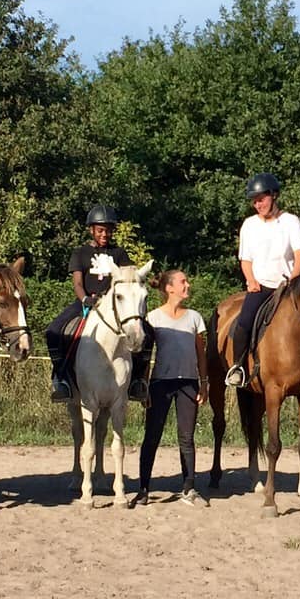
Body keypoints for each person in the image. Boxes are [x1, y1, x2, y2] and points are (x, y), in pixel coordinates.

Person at [224, 173, 300, 390]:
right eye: (254, 200)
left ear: (274, 196)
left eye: (261, 199)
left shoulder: (291, 222)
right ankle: (238, 367)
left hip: (289, 286)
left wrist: (295, 278)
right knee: (243, 323)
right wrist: (251, 281)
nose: (257, 204)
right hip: (261, 285)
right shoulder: (249, 225)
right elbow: (245, 260)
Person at [136, 269, 209, 505]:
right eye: (183, 281)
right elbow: (146, 355)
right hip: (161, 384)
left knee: (186, 438)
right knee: (152, 436)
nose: (188, 284)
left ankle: (189, 489)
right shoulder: (153, 318)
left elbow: (201, 353)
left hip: (188, 383)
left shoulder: (195, 317)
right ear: (169, 288)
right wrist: (144, 385)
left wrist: (204, 383)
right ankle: (144, 489)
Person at [47, 205, 134, 401]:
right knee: (53, 330)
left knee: (143, 330)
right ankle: (61, 380)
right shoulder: (80, 253)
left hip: (114, 307)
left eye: (109, 230)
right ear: (92, 230)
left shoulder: (119, 253)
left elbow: (128, 279)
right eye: (101, 230)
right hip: (86, 302)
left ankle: (136, 382)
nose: (105, 234)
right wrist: (85, 298)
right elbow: (77, 283)